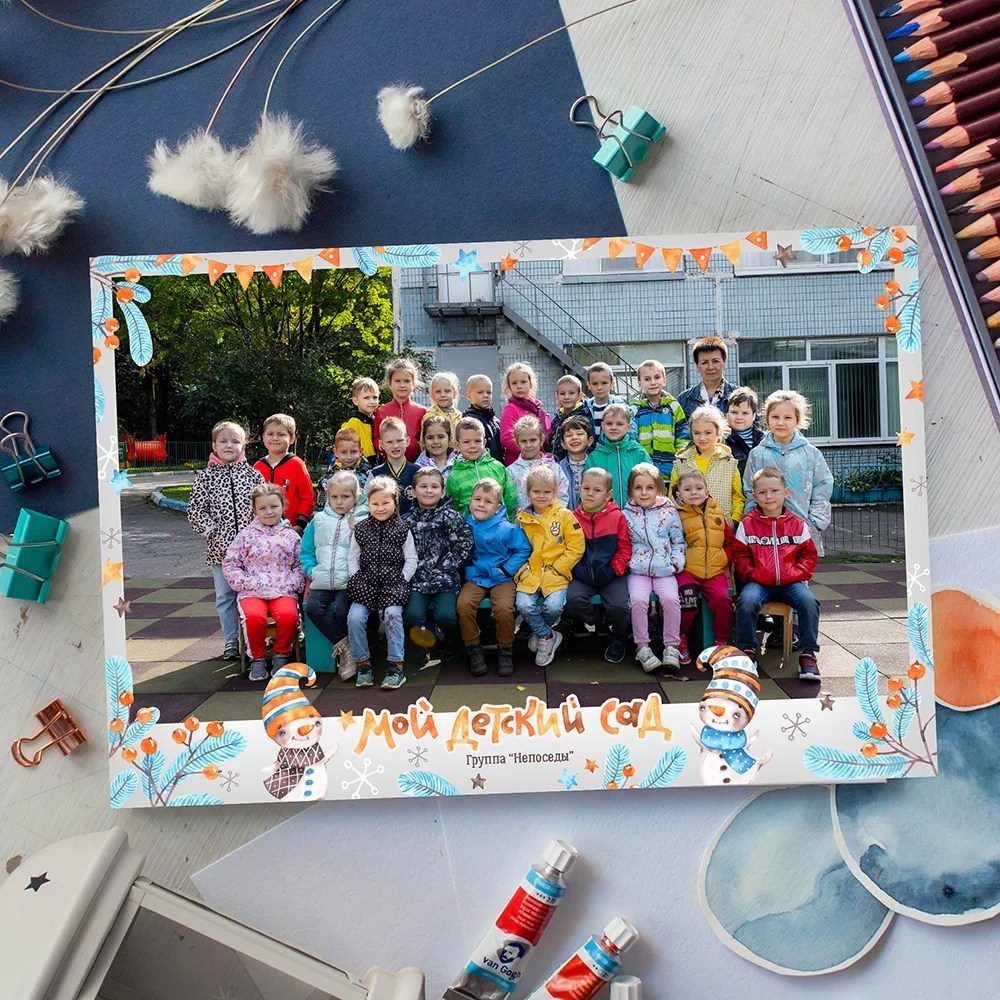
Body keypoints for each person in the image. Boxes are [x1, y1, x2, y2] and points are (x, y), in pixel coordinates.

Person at [733, 467, 822, 680]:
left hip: (790, 582)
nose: (769, 496)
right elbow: (739, 555)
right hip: (759, 582)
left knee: (809, 602)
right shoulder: (747, 524)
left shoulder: (797, 525)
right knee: (746, 601)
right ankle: (747, 651)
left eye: (774, 490)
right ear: (755, 496)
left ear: (786, 493)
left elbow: (809, 555)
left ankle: (808, 655)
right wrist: (753, 573)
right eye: (762, 492)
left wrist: (797, 573)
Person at [186, 420, 264, 660]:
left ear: (243, 445)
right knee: (225, 596)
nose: (229, 445)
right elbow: (195, 510)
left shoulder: (253, 475)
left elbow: (264, 506)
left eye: (235, 441)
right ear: (214, 445)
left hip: (252, 551)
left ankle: (256, 638)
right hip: (221, 550)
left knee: (255, 594)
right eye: (223, 441)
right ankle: (231, 640)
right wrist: (212, 531)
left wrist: (260, 534)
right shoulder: (205, 478)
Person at [223, 483, 305, 682]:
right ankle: (257, 658)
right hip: (252, 590)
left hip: (283, 589)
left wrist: (293, 582)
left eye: (274, 507)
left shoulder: (291, 536)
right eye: (263, 508)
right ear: (255, 510)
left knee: (288, 616)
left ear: (283, 506)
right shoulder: (245, 535)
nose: (269, 512)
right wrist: (245, 582)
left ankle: (281, 654)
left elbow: (300, 563)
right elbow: (231, 563)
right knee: (253, 617)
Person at [347, 476, 418, 690]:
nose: (380, 508)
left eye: (385, 503)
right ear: (368, 504)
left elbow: (411, 559)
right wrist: (356, 578)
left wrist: (402, 579)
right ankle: (363, 665)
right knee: (355, 617)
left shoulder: (403, 529)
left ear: (395, 502)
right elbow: (352, 558)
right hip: (365, 584)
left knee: (392, 616)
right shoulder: (361, 529)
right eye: (375, 503)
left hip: (393, 585)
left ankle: (396, 666)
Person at [743, 389, 833, 556]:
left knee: (801, 570)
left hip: (802, 530)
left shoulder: (811, 454)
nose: (781, 423)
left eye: (788, 417)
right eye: (775, 417)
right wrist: (751, 518)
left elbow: (823, 486)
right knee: (768, 568)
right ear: (767, 419)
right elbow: (749, 489)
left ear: (798, 420)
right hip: (764, 531)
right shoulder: (757, 454)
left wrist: (816, 521)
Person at [458, 478, 532, 677]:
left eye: (488, 501)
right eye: (477, 499)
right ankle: (473, 649)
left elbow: (523, 549)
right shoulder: (465, 526)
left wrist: (507, 569)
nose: (481, 504)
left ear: (498, 507)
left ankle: (505, 650)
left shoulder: (508, 528)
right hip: (476, 576)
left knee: (504, 609)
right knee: (463, 605)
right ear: (470, 501)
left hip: (502, 577)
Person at [403, 468, 473, 669]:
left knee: (447, 616)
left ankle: (452, 646)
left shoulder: (451, 517)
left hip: (445, 579)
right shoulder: (407, 520)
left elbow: (464, 544)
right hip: (416, 580)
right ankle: (419, 651)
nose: (428, 491)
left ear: (442, 491)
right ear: (413, 491)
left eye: (434, 487)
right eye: (423, 486)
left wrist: (445, 568)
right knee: (412, 615)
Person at [514, 466, 585, 667]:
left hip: (556, 574)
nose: (541, 496)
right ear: (528, 492)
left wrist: (559, 568)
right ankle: (547, 635)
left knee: (554, 606)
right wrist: (522, 570)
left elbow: (576, 545)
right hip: (530, 574)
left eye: (547, 492)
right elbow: (516, 548)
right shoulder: (522, 518)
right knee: (523, 605)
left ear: (554, 492)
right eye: (536, 491)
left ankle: (540, 633)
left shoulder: (564, 515)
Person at [301, 471, 366, 679]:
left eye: (345, 497)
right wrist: (311, 571)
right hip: (322, 579)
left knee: (342, 610)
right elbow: (306, 550)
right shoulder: (319, 520)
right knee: (312, 608)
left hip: (348, 580)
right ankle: (346, 646)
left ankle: (351, 653)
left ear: (356, 496)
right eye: (334, 497)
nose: (339, 502)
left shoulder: (362, 519)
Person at [623, 463, 686, 673]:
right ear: (631, 490)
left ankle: (671, 647)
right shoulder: (626, 514)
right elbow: (624, 544)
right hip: (638, 571)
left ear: (658, 488)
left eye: (649, 487)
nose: (644, 493)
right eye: (638, 488)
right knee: (638, 601)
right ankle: (642, 647)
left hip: (665, 570)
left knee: (671, 600)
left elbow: (678, 541)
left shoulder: (668, 511)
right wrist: (628, 564)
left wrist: (675, 564)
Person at [566, 467, 632, 663]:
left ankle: (620, 639)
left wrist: (614, 569)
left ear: (608, 494)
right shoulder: (572, 518)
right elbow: (568, 549)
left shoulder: (617, 517)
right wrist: (577, 570)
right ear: (579, 489)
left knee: (620, 607)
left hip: (612, 574)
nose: (590, 494)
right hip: (583, 575)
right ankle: (601, 620)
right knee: (572, 600)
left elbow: (624, 548)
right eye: (586, 488)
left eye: (597, 490)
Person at [672, 469, 736, 667]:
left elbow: (729, 541)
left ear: (707, 492)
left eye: (699, 488)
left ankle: (721, 641)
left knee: (722, 600)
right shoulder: (676, 515)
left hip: (714, 571)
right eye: (688, 489)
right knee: (687, 601)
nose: (694, 492)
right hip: (688, 571)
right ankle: (680, 637)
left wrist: (724, 558)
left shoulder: (718, 514)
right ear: (679, 494)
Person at [669, 405, 744, 526]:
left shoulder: (729, 462)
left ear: (718, 432)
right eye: (697, 433)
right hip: (690, 528)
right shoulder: (681, 462)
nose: (702, 438)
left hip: (723, 527)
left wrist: (734, 520)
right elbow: (672, 496)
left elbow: (738, 497)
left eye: (708, 433)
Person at [446, 417, 519, 519]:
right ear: (457, 445)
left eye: (477, 441)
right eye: (466, 442)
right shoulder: (454, 476)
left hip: (499, 524)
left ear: (484, 442)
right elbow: (454, 507)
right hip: (470, 527)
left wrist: (508, 520)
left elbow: (510, 498)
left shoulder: (497, 467)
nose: (473, 446)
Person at [253, 413, 314, 534]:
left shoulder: (297, 464)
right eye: (270, 434)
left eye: (281, 434)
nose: (275, 438)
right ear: (263, 437)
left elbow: (308, 497)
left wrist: (300, 525)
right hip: (261, 529)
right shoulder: (257, 467)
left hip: (291, 529)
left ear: (291, 439)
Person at [630, 359, 690, 479]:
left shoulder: (674, 406)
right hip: (642, 470)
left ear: (664, 380)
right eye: (647, 379)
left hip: (670, 470)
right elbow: (631, 437)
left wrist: (679, 459)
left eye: (657, 377)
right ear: (639, 383)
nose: (653, 382)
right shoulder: (634, 408)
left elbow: (683, 434)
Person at [585, 402, 649, 509]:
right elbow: (587, 489)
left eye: (619, 424)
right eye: (609, 424)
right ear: (602, 426)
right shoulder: (595, 457)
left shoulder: (639, 453)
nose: (614, 427)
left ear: (629, 427)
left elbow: (651, 483)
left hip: (636, 513)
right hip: (605, 513)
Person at [508, 414, 570, 511]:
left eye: (533, 440)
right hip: (521, 519)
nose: (528, 445)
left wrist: (554, 516)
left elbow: (562, 496)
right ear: (517, 443)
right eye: (524, 441)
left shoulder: (553, 467)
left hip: (550, 518)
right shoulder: (511, 472)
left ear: (541, 440)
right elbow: (509, 501)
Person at [373, 357, 426, 462]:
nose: (402, 385)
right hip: (389, 464)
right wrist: (381, 446)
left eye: (407, 381)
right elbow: (376, 438)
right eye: (397, 381)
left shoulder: (422, 411)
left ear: (413, 384)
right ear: (390, 383)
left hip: (418, 465)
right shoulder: (382, 411)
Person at [499, 361, 552, 465]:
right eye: (514, 383)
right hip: (519, 464)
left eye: (523, 382)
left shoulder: (537, 409)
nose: (519, 386)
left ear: (531, 384)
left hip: (540, 461)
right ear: (509, 387)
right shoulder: (510, 409)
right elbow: (506, 438)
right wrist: (529, 452)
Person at [675, 336, 738, 419]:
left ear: (724, 363)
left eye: (715, 361)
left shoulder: (739, 396)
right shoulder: (684, 399)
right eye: (704, 362)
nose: (710, 367)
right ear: (697, 366)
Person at [370, 416, 419, 515]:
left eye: (399, 440)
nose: (395, 446)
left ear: (407, 441)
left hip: (413, 523)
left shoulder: (417, 473)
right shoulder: (375, 475)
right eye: (389, 442)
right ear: (381, 445)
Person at [549, 374, 595, 461]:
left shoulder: (583, 418)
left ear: (580, 396)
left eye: (571, 393)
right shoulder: (557, 418)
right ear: (557, 397)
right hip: (557, 463)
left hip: (577, 463)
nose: (567, 397)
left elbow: (590, 444)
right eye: (562, 393)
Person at [318, 426, 371, 500]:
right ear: (336, 452)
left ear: (361, 451)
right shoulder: (328, 479)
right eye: (344, 452)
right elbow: (322, 503)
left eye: (353, 452)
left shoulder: (370, 477)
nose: (349, 457)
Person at [558, 414, 595, 510]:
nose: (574, 438)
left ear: (590, 440)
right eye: (569, 435)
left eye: (579, 434)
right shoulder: (558, 468)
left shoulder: (596, 465)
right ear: (563, 444)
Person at [725, 386, 764, 477]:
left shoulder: (764, 440)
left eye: (745, 413)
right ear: (727, 414)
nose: (739, 417)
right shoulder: (722, 441)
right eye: (734, 412)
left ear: (754, 416)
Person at [463, 374, 503, 461]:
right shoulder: (469, 421)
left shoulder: (494, 420)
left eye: (489, 392)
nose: (485, 395)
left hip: (497, 465)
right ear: (468, 396)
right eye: (480, 392)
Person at [341, 375, 380, 462]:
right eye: (366, 398)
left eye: (375, 397)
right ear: (355, 401)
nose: (372, 401)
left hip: (375, 462)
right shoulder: (353, 422)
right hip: (360, 463)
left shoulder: (376, 418)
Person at [584, 361, 625, 440]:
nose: (599, 387)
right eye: (595, 383)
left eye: (604, 383)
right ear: (589, 385)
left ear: (612, 384)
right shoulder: (585, 408)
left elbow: (630, 430)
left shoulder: (621, 406)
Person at [415, 413, 457, 483]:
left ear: (449, 438)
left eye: (441, 437)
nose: (435, 441)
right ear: (424, 440)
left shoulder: (459, 463)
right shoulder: (417, 468)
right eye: (430, 438)